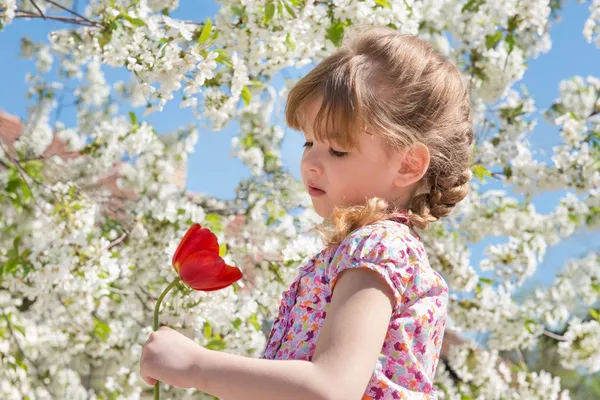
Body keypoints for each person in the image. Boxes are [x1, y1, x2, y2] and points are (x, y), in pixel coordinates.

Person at [140, 25, 474, 400]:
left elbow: (330, 387)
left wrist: (195, 366)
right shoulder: (360, 252)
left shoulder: (379, 247)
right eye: (308, 141)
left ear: (408, 164)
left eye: (338, 150)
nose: (311, 162)